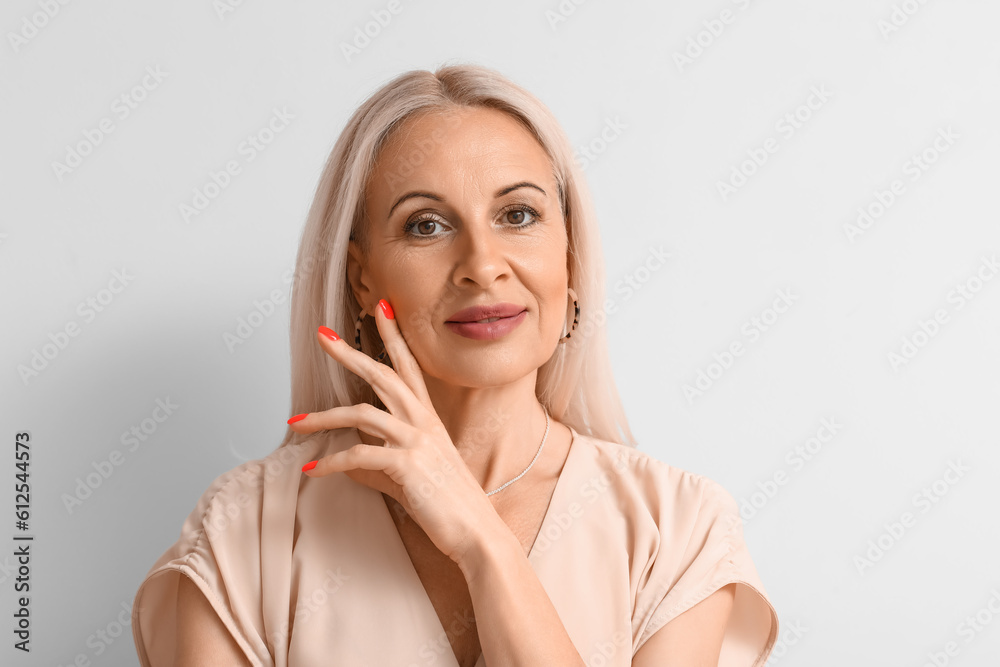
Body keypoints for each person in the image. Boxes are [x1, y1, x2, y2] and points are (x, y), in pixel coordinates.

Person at [131, 63, 778, 667]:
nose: (482, 263)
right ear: (361, 280)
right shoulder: (251, 527)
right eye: (426, 226)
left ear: (571, 258)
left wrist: (480, 538)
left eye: (517, 215)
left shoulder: (681, 526)